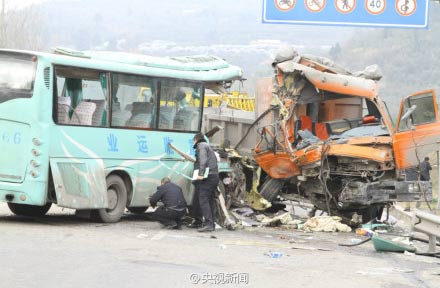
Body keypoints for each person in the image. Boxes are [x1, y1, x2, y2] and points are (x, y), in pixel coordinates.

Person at [188, 132, 219, 232]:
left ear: (196, 140)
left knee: (203, 199)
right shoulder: (207, 146)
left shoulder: (201, 146)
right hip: (214, 176)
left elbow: (203, 160)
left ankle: (209, 224)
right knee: (208, 200)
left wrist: (200, 174)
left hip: (208, 177)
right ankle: (208, 223)